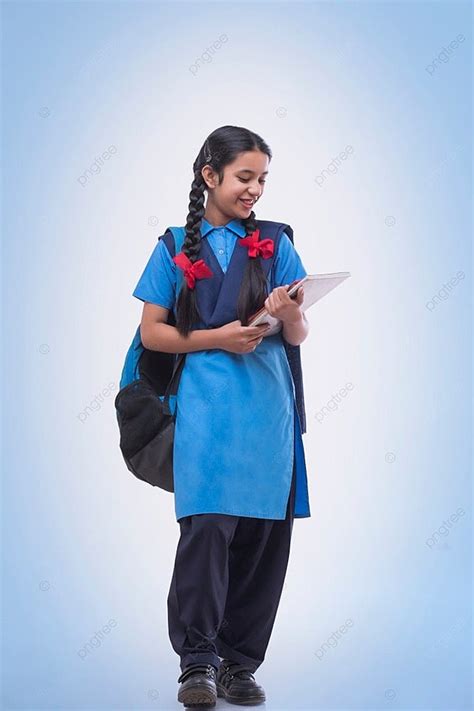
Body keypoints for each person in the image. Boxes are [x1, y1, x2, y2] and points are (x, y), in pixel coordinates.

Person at [132, 125, 311, 708]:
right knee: (206, 531)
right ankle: (198, 663)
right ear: (209, 177)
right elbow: (153, 333)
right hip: (205, 413)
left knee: (263, 537)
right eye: (244, 177)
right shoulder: (173, 248)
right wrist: (219, 338)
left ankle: (239, 664)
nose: (255, 188)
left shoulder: (277, 242)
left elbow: (300, 333)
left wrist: (289, 314)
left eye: (262, 178)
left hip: (267, 414)